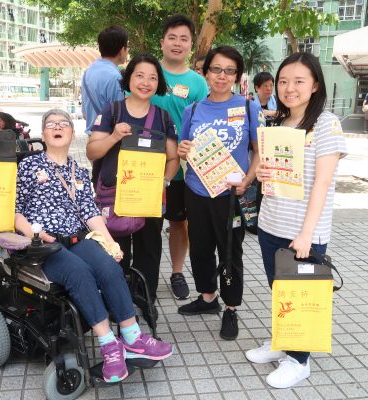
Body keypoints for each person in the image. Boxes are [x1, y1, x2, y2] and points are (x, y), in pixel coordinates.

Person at [15, 109, 173, 383]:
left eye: (63, 124)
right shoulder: (28, 166)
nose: (58, 127)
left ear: (71, 133)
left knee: (110, 266)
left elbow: (91, 214)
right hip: (45, 245)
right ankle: (109, 345)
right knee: (79, 272)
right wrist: (34, 235)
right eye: (51, 124)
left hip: (77, 237)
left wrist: (111, 243)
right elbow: (15, 210)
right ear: (44, 133)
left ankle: (133, 336)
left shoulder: (78, 170)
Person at [246, 52, 347, 389]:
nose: (289, 88)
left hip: (303, 232)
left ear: (315, 84)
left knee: (300, 296)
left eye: (299, 81)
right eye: (284, 81)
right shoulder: (280, 123)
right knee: (279, 290)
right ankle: (282, 341)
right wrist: (261, 172)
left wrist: (306, 234)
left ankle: (299, 361)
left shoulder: (327, 124)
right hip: (271, 223)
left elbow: (322, 183)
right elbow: (276, 175)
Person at [176, 46, 262, 340]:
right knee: (199, 248)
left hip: (230, 196)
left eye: (229, 71)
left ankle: (231, 309)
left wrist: (248, 180)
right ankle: (207, 297)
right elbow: (183, 148)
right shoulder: (194, 110)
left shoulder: (249, 108)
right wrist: (182, 150)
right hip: (196, 190)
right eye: (216, 69)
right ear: (205, 72)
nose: (222, 76)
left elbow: (259, 151)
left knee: (229, 251)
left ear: (237, 76)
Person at [86, 53, 179, 322]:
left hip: (149, 198)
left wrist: (163, 182)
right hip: (114, 196)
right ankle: (119, 303)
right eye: (140, 75)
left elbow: (173, 158)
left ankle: (145, 299)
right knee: (117, 252)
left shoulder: (163, 117)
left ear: (158, 83)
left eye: (152, 77)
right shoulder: (112, 111)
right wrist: (115, 135)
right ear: (129, 78)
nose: (146, 82)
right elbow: (92, 151)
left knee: (149, 250)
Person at [150, 14, 209, 300]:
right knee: (142, 223)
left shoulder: (197, 83)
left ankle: (176, 272)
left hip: (182, 170)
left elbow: (204, 124)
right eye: (172, 37)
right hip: (143, 167)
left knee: (178, 222)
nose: (177, 43)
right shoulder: (147, 72)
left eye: (183, 38)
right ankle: (142, 276)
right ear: (162, 42)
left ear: (191, 44)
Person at [81, 26, 128, 136]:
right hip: (107, 140)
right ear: (122, 50)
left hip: (92, 137)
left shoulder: (88, 72)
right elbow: (119, 118)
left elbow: (84, 114)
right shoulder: (115, 77)